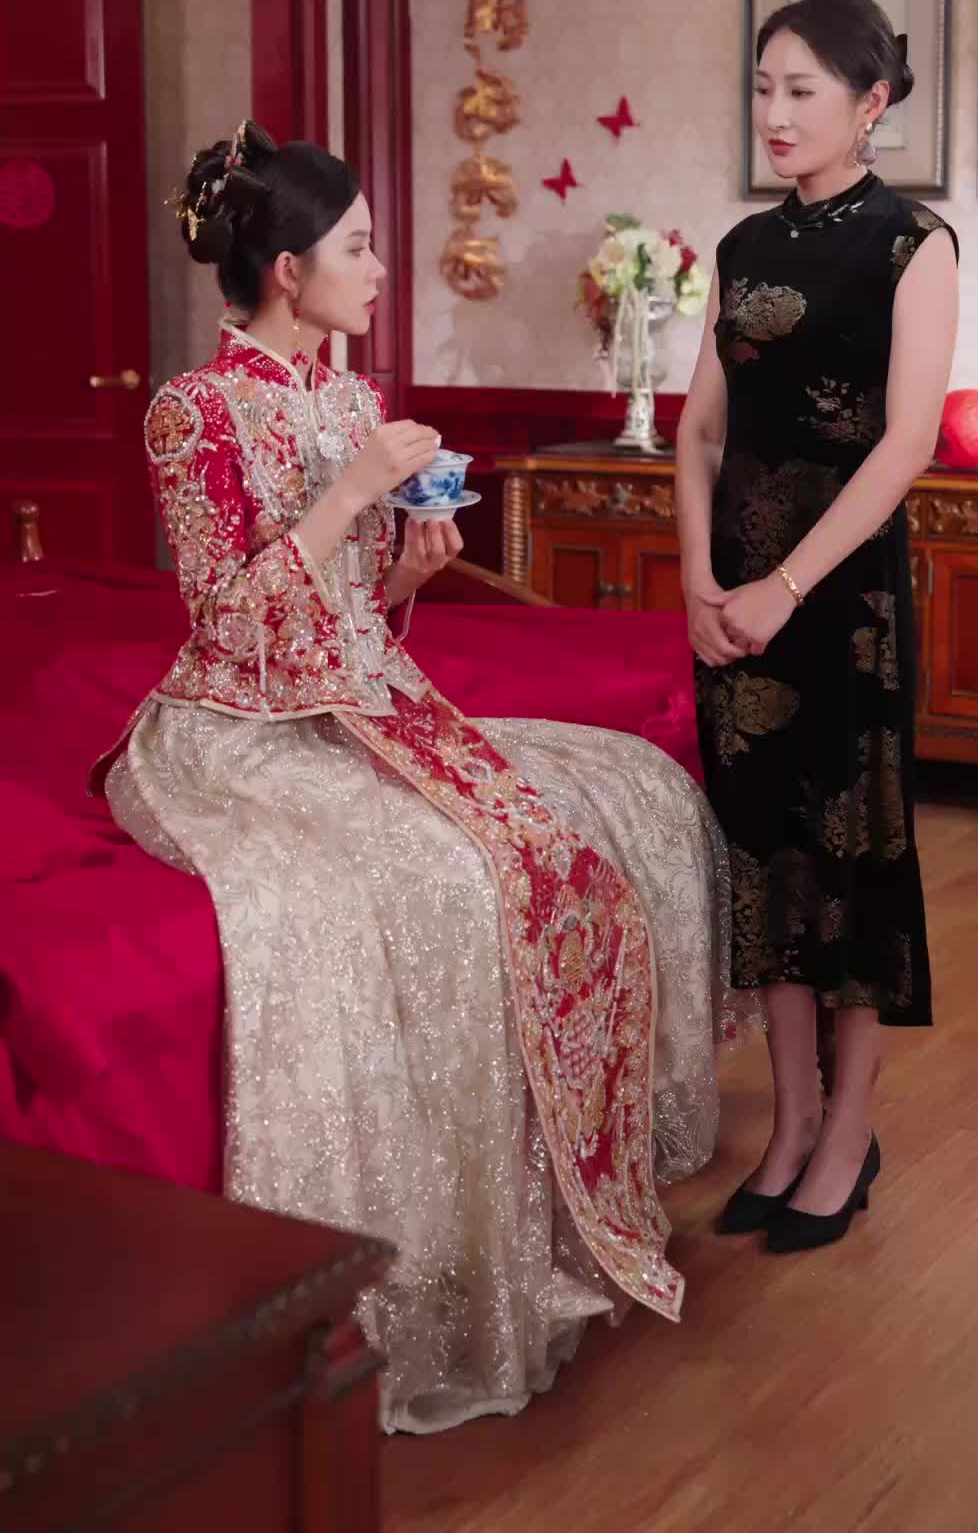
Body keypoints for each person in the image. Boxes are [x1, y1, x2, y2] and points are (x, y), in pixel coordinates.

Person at [94, 122, 734, 1434]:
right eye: (363, 247)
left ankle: (562, 1192)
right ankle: (429, 1269)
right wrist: (347, 500)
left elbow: (349, 613)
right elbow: (229, 622)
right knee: (445, 873)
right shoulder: (191, 410)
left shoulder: (348, 401)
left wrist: (408, 569)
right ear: (289, 270)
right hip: (243, 727)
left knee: (620, 794)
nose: (381, 270)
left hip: (363, 697)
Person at [676, 0, 959, 1253]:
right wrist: (699, 583)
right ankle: (789, 1125)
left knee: (848, 862)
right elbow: (699, 430)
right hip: (732, 602)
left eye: (802, 90)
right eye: (763, 89)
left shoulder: (914, 245)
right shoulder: (742, 247)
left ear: (872, 101)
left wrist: (782, 587)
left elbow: (907, 444)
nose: (776, 114)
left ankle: (850, 1128)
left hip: (840, 603)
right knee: (763, 858)